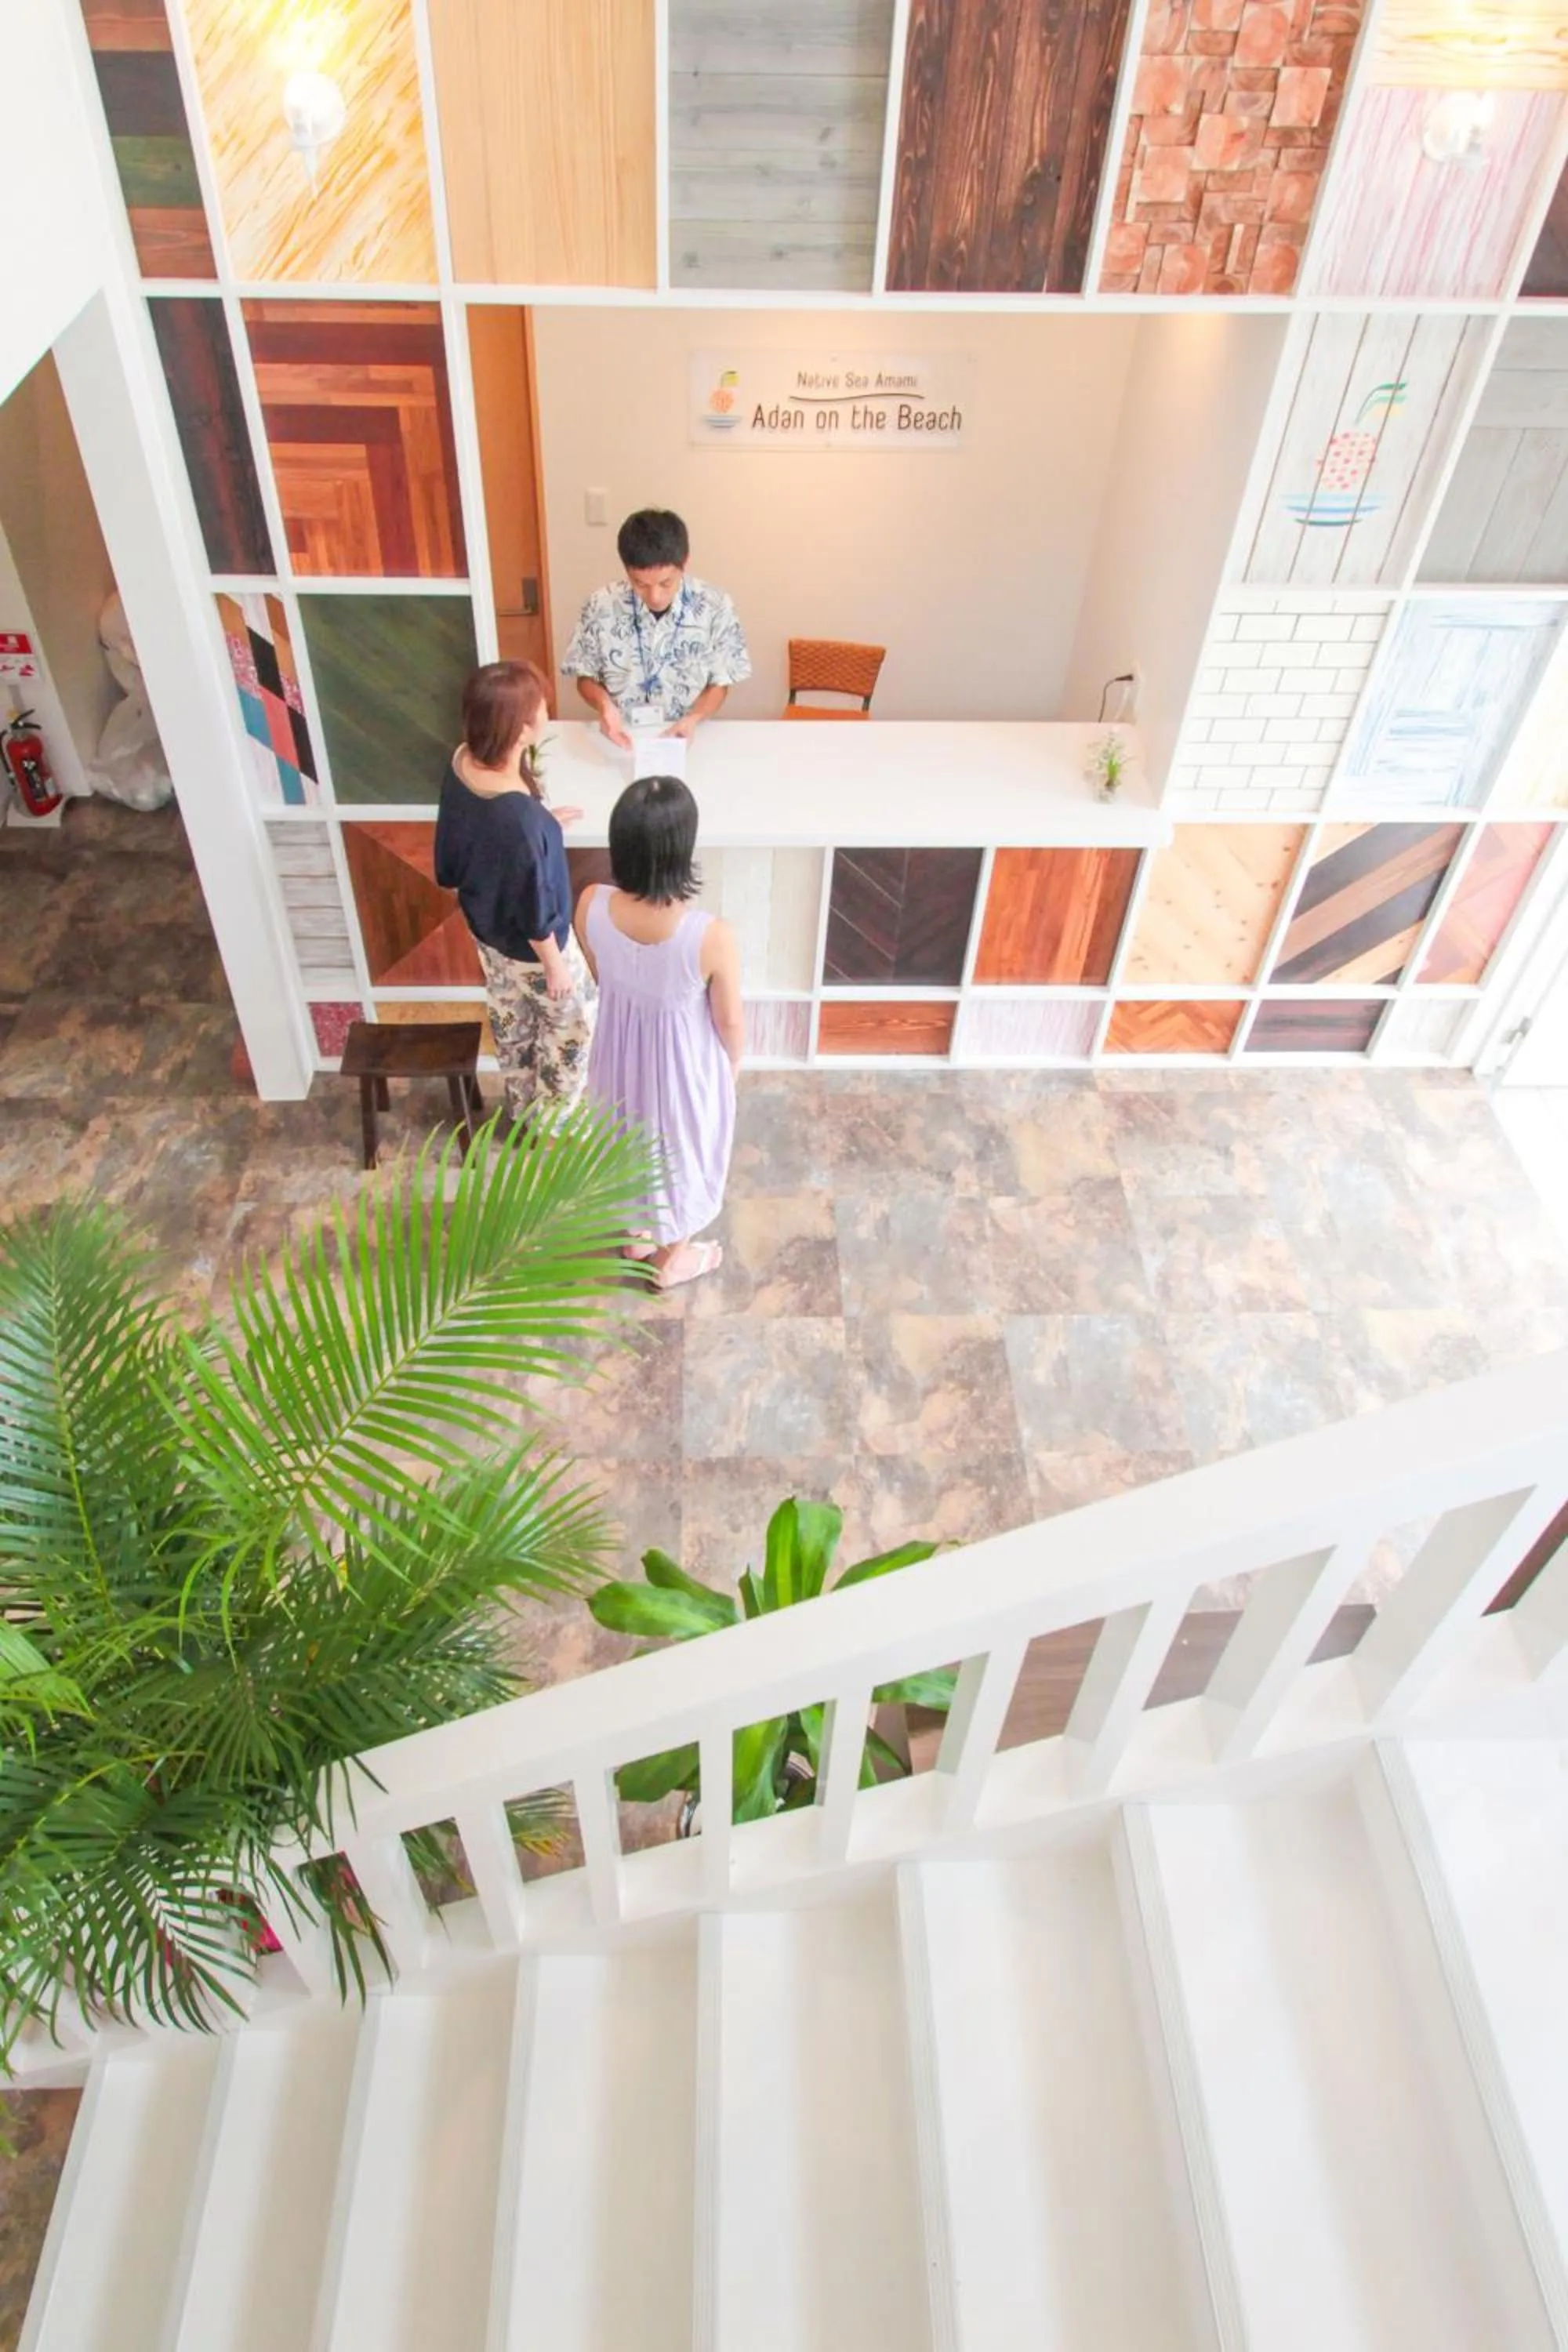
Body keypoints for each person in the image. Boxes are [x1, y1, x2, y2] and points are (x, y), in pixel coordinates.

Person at [575, 775, 743, 1290]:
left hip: (617, 1057)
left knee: (626, 1138)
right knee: (684, 1156)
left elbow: (603, 976)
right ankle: (671, 1262)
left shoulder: (590, 904)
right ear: (681, 849)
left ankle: (636, 1231)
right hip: (682, 1069)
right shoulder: (709, 935)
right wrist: (730, 1072)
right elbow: (729, 1021)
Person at [434, 660, 595, 1123]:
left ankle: (523, 1113)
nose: (546, 711)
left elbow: (462, 848)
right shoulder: (518, 821)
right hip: (533, 949)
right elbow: (535, 905)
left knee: (513, 1026)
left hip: (488, 937)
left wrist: (544, 826)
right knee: (571, 1031)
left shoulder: (462, 760)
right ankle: (556, 1129)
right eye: (540, 706)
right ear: (523, 728)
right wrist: (556, 965)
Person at [561, 508, 750, 749]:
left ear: (685, 562)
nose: (655, 596)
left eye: (666, 583)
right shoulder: (601, 605)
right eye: (640, 584)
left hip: (689, 735)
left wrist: (694, 718)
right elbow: (585, 676)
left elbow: (720, 683)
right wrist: (604, 706)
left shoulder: (715, 606)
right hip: (621, 736)